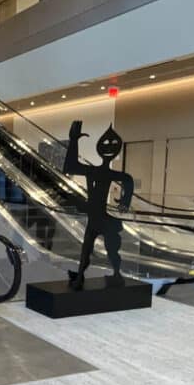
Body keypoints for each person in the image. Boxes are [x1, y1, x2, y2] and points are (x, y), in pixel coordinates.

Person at [63, 120, 134, 289]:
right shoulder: (93, 171)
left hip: (102, 219)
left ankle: (113, 275)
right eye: (106, 143)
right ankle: (80, 277)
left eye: (112, 144)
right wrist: (73, 140)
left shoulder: (104, 173)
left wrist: (125, 202)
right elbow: (70, 166)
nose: (108, 147)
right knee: (86, 250)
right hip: (94, 218)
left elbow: (128, 181)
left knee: (108, 251)